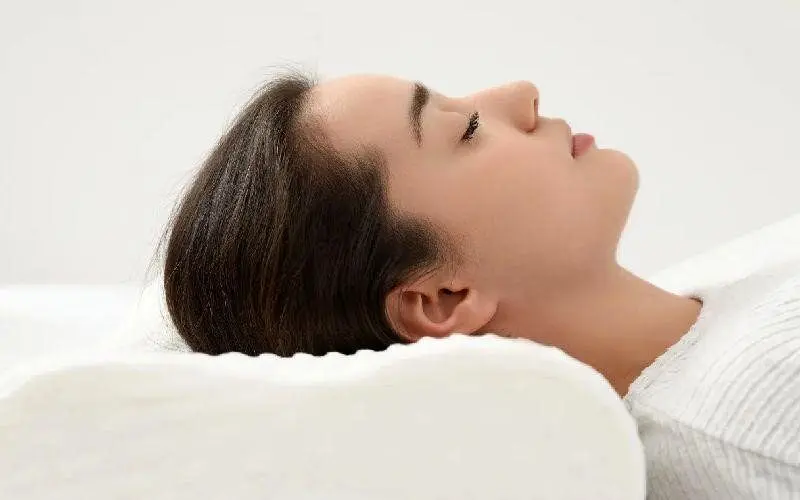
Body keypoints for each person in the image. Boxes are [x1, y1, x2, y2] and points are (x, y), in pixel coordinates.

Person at [162, 68, 800, 498]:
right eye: (465, 129)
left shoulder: (714, 293)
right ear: (442, 300)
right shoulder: (755, 414)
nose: (522, 94)